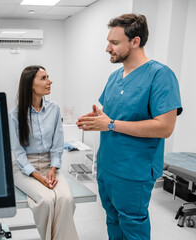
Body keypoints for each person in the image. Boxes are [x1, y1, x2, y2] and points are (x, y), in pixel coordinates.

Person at [77, 14, 182, 240]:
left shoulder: (160, 75)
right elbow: (112, 118)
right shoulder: (115, 77)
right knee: (113, 221)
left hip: (134, 170)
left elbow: (164, 127)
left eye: (114, 43)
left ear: (135, 42)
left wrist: (111, 124)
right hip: (107, 166)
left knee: (132, 226)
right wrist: (98, 120)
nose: (107, 48)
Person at [9, 65, 78, 240]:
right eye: (43, 78)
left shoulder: (54, 109)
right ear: (30, 84)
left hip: (49, 165)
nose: (50, 81)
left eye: (48, 77)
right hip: (23, 168)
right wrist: (37, 176)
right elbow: (17, 152)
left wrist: (53, 168)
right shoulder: (15, 114)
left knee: (66, 199)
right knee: (46, 201)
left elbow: (57, 145)